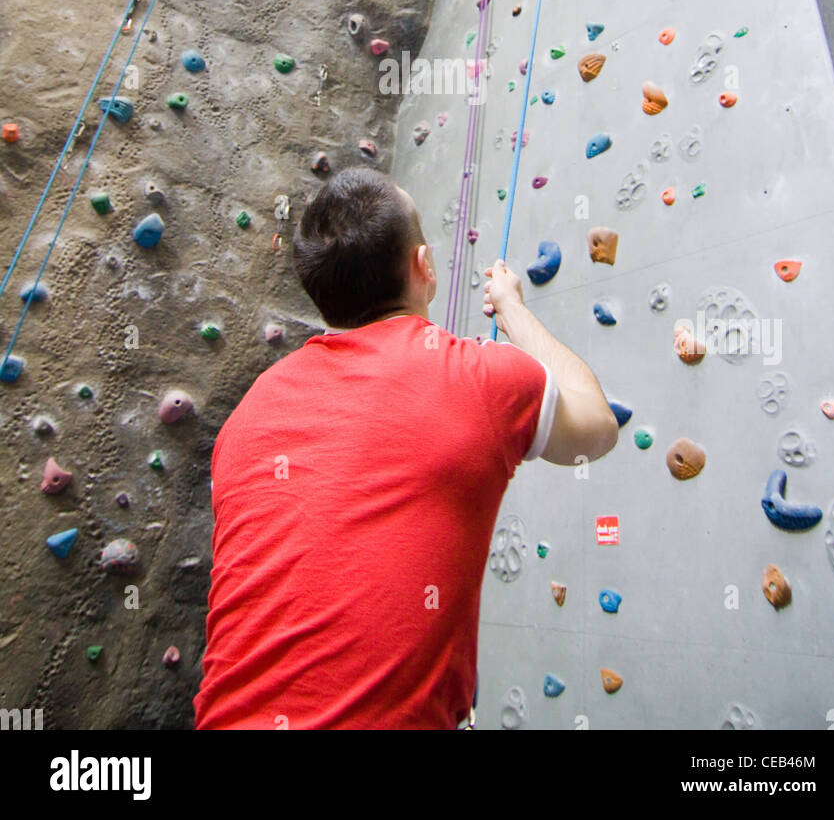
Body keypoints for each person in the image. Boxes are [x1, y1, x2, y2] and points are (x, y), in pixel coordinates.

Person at [194, 167, 618, 730]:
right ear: (424, 267)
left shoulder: (247, 417)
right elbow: (597, 427)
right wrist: (512, 309)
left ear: (322, 297)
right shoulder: (474, 376)